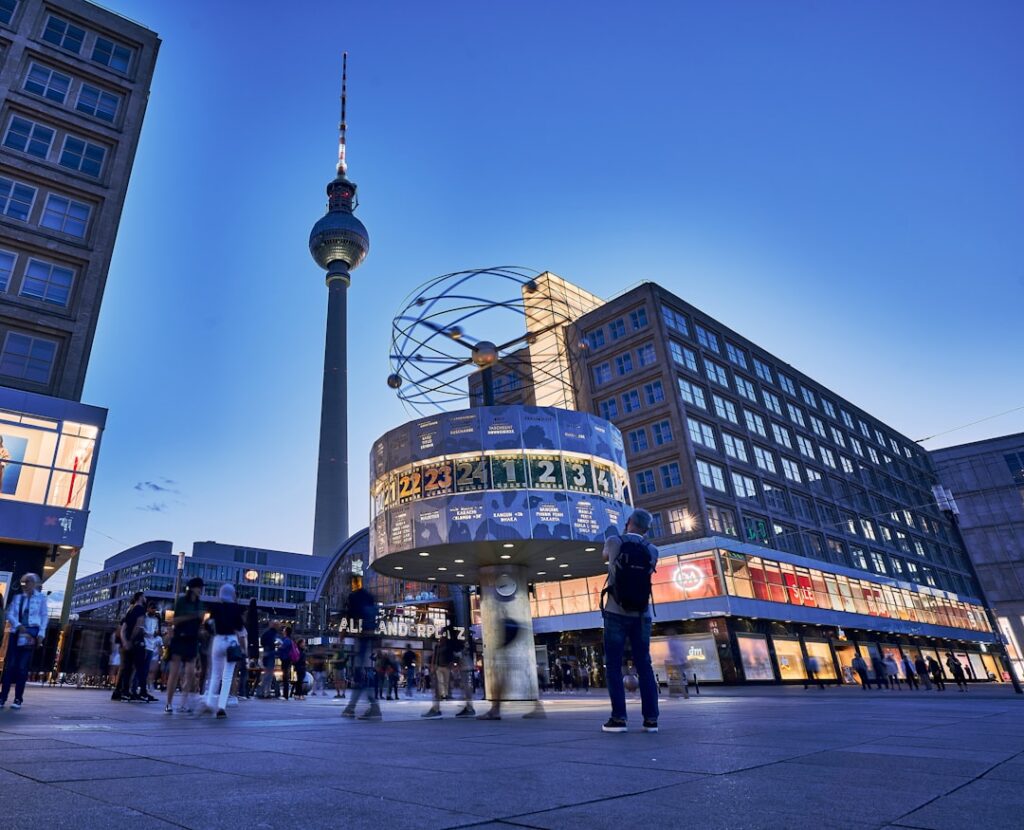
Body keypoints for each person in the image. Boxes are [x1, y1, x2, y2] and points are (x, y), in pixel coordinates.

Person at [600, 509, 660, 734]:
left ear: (629, 523)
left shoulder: (615, 541)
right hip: (642, 614)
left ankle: (619, 718)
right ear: (646, 528)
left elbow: (604, 557)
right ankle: (651, 720)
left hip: (615, 611)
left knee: (614, 665)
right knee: (644, 664)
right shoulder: (652, 549)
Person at [476, 617, 545, 720]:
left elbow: (509, 632)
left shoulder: (507, 623)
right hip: (513, 646)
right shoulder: (511, 623)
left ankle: (495, 710)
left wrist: (502, 646)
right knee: (514, 678)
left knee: (499, 679)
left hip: (508, 647)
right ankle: (496, 709)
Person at [0, 573, 48, 710]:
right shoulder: (18, 598)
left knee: (22, 667)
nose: (26, 585)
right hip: (17, 633)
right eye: (24, 583)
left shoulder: (41, 599)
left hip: (30, 633)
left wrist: (41, 634)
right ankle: (3, 697)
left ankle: (18, 698)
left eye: (28, 582)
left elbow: (44, 616)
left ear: (34, 584)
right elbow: (10, 614)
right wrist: (17, 624)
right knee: (10, 666)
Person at [199, 583, 246, 718]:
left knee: (215, 674)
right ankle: (221, 706)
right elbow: (240, 628)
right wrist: (243, 648)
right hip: (231, 640)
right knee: (227, 676)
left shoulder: (216, 607)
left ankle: (209, 702)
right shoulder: (236, 608)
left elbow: (208, 625)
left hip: (218, 640)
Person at [341, 575, 382, 720]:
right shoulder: (369, 596)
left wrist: (343, 631)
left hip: (363, 637)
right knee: (363, 672)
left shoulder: (354, 597)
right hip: (370, 637)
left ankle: (363, 707)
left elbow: (349, 615)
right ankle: (356, 707)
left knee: (359, 673)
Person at [166, 577, 204, 713]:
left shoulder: (200, 603)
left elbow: (201, 623)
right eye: (198, 587)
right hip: (180, 638)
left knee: (190, 673)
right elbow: (175, 620)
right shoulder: (182, 601)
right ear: (192, 588)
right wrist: (192, 616)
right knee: (174, 672)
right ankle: (169, 703)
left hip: (192, 639)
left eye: (201, 587)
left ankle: (183, 702)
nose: (200, 590)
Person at [422, 624, 475, 719]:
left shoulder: (450, 642)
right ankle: (468, 707)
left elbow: (452, 653)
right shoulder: (454, 641)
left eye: (442, 632)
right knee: (463, 685)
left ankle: (437, 709)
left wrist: (453, 663)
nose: (441, 634)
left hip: (461, 663)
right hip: (461, 663)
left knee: (463, 685)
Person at [113, 592, 147, 701]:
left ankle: (119, 691)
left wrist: (125, 641)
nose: (145, 598)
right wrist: (131, 640)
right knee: (139, 667)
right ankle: (140, 692)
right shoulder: (141, 609)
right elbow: (139, 625)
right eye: (144, 596)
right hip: (136, 642)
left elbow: (123, 629)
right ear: (140, 598)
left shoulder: (129, 610)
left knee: (125, 668)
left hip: (126, 643)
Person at [258, 621, 279, 698]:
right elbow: (272, 642)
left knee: (267, 674)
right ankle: (265, 692)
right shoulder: (273, 634)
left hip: (266, 653)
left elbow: (262, 641)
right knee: (269, 674)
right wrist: (274, 645)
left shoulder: (266, 633)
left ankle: (264, 692)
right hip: (270, 653)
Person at [278, 627, 295, 700]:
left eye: (284, 630)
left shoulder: (286, 640)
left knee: (285, 677)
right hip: (287, 660)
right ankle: (285, 695)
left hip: (285, 660)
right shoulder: (288, 640)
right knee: (285, 677)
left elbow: (282, 648)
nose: (282, 631)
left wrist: (279, 646)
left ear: (286, 632)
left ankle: (285, 695)